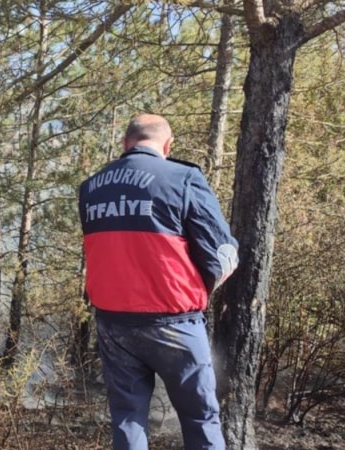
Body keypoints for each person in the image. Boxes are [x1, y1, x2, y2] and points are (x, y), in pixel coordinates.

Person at [78, 114, 238, 450]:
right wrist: (199, 289)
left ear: (125, 143)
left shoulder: (91, 187)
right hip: (175, 322)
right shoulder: (183, 178)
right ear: (168, 146)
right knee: (200, 418)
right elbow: (222, 254)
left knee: (127, 418)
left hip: (113, 323)